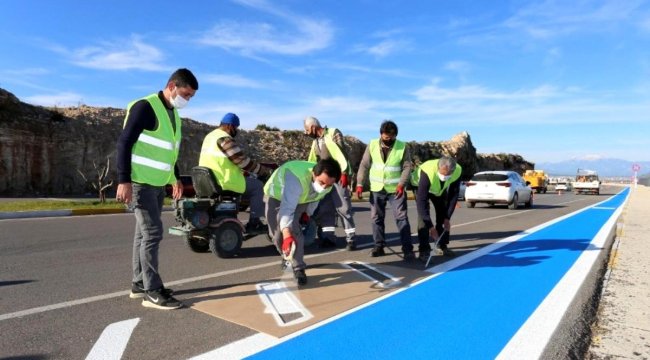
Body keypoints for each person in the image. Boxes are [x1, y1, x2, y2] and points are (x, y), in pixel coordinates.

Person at [116, 68, 198, 310]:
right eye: (186, 94)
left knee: (143, 234)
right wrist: (124, 180)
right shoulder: (145, 106)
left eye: (191, 96)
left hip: (157, 183)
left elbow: (170, 151)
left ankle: (139, 284)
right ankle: (152, 291)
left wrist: (175, 178)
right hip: (140, 182)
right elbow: (124, 142)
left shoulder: (172, 114)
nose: (187, 100)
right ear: (172, 86)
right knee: (152, 233)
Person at [264, 159, 341, 286]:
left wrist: (307, 213)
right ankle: (286, 256)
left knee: (295, 232)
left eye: (328, 185)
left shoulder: (328, 184)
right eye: (321, 182)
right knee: (278, 235)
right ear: (314, 174)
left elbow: (316, 197)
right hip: (276, 197)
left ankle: (298, 268)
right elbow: (287, 208)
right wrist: (286, 234)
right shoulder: (296, 178)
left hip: (302, 199)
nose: (324, 187)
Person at [198, 112, 272, 235]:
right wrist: (263, 171)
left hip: (207, 181)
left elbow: (224, 160)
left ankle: (232, 213)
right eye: (236, 128)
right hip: (224, 181)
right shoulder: (224, 138)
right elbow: (242, 161)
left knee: (247, 184)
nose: (236, 131)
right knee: (257, 186)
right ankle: (255, 222)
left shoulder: (209, 137)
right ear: (230, 126)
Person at [356, 120, 415, 261]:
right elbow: (364, 165)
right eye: (386, 137)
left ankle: (407, 249)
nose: (389, 140)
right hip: (377, 189)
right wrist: (359, 183)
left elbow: (407, 167)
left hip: (396, 190)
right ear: (381, 134)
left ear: (395, 135)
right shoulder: (372, 145)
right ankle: (379, 246)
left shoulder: (402, 146)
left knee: (401, 218)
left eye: (392, 137)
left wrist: (401, 184)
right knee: (376, 218)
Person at [303, 116, 357, 250]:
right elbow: (313, 161)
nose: (306, 133)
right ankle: (328, 238)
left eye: (307, 130)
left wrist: (344, 173)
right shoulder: (315, 142)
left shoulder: (334, 133)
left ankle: (351, 239)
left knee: (343, 208)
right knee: (325, 209)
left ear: (313, 127)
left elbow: (342, 153)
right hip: (324, 180)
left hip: (338, 177)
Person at [413, 157, 463, 261]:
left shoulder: (457, 170)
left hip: (439, 190)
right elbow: (421, 203)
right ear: (438, 168)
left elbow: (453, 195)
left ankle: (442, 245)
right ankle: (424, 250)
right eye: (442, 174)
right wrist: (431, 228)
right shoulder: (428, 170)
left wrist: (447, 218)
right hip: (420, 186)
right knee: (423, 220)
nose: (444, 177)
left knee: (443, 214)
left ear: (452, 171)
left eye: (447, 175)